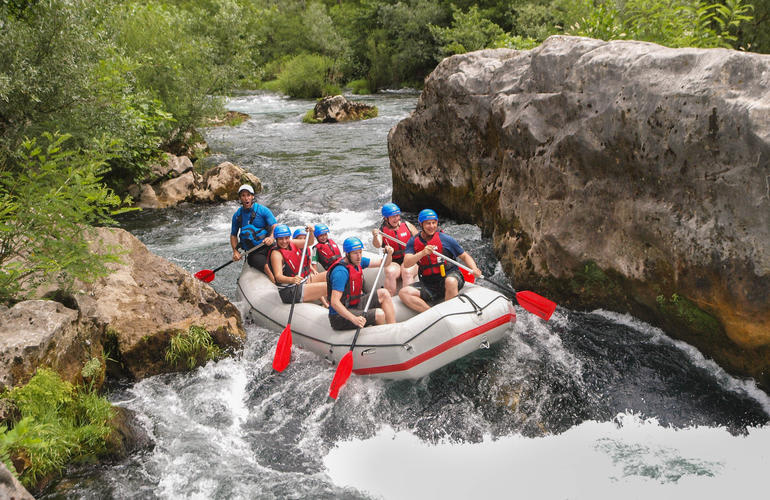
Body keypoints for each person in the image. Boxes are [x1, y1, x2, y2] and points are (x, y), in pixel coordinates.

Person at [398, 209, 483, 313]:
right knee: (403, 292)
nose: (432, 226)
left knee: (450, 281)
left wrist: (474, 268)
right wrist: (422, 253)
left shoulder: (445, 239)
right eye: (428, 223)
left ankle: (451, 313)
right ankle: (434, 314)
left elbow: (464, 256)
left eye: (434, 223)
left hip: (450, 276)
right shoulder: (414, 241)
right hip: (429, 283)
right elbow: (407, 263)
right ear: (421, 224)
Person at [327, 237, 396, 330]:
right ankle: (383, 338)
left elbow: (384, 263)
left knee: (384, 293)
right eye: (355, 253)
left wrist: (389, 254)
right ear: (347, 254)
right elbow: (334, 302)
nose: (359, 256)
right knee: (379, 314)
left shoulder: (358, 262)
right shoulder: (341, 272)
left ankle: (394, 329)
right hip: (339, 316)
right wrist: (354, 319)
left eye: (360, 252)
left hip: (354, 305)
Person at [269, 224, 328, 304]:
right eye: (280, 239)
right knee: (328, 286)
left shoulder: (292, 242)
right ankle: (334, 311)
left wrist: (311, 232)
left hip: (303, 281)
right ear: (276, 239)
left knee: (331, 274)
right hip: (290, 290)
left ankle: (336, 304)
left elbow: (309, 242)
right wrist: (292, 280)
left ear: (289, 237)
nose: (284, 241)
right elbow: (278, 277)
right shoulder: (276, 254)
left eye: (286, 238)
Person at [230, 184, 276, 282]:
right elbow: (233, 235)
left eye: (248, 195)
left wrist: (271, 237)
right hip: (253, 251)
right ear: (240, 198)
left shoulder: (263, 210)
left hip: (267, 244)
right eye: (243, 195)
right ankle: (275, 281)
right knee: (264, 265)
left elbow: (274, 226)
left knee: (277, 258)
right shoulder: (237, 216)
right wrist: (235, 251)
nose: (246, 198)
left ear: (252, 197)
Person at [371, 202, 418, 296]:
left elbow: (419, 239)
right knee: (390, 272)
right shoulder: (382, 231)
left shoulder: (407, 225)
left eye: (397, 216)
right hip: (393, 260)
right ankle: (389, 298)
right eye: (393, 217)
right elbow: (377, 244)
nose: (396, 219)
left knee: (407, 272)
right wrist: (375, 236)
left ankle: (409, 296)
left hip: (409, 258)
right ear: (386, 218)